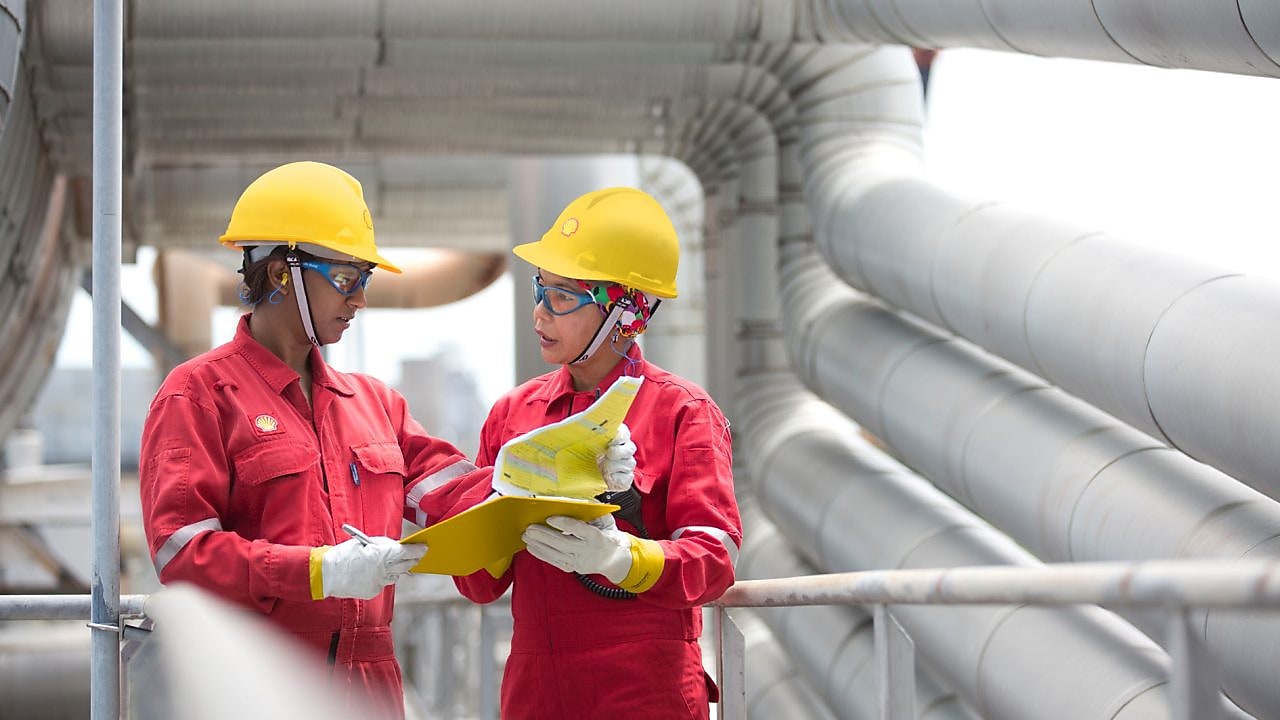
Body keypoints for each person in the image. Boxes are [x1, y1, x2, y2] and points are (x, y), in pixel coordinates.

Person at [138, 161, 496, 718]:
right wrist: (317, 571)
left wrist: (547, 476)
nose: (359, 301)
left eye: (364, 281)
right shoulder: (199, 394)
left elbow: (456, 499)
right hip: (259, 684)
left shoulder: (376, 404)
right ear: (282, 273)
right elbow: (183, 555)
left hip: (372, 687)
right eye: (347, 279)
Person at [454, 187, 743, 719]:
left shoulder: (682, 412)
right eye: (542, 288)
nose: (540, 311)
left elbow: (714, 560)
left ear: (625, 312)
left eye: (564, 296)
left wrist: (620, 559)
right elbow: (477, 584)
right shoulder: (512, 415)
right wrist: (495, 518)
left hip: (644, 689)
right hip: (537, 689)